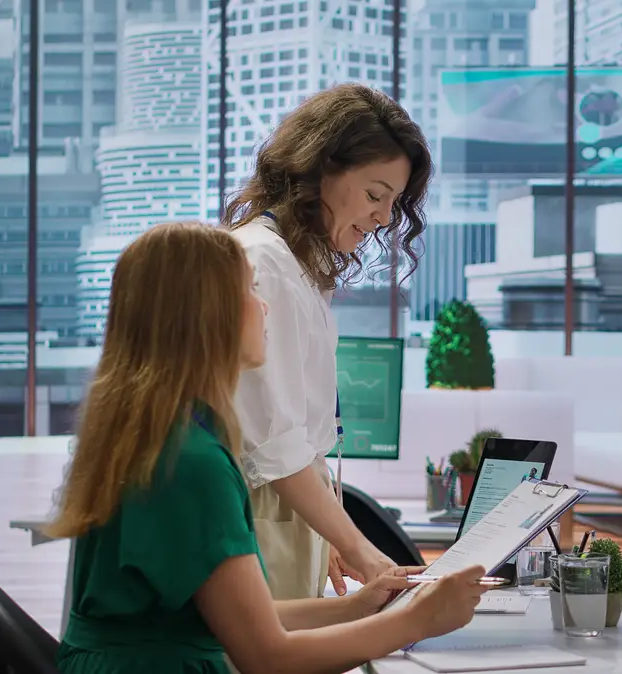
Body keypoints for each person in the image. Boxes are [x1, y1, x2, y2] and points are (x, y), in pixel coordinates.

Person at [47, 222, 487, 674]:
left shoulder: (159, 439)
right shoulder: (193, 464)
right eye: (250, 290)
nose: (265, 307)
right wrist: (419, 619)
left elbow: (230, 617)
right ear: (205, 317)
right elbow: (265, 656)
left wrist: (358, 606)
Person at [222, 83, 433, 600]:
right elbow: (273, 444)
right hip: (264, 510)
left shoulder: (296, 267)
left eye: (394, 202)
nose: (385, 218)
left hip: (290, 508)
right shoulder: (263, 261)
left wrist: (327, 533)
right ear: (318, 171)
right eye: (375, 194)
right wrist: (363, 549)